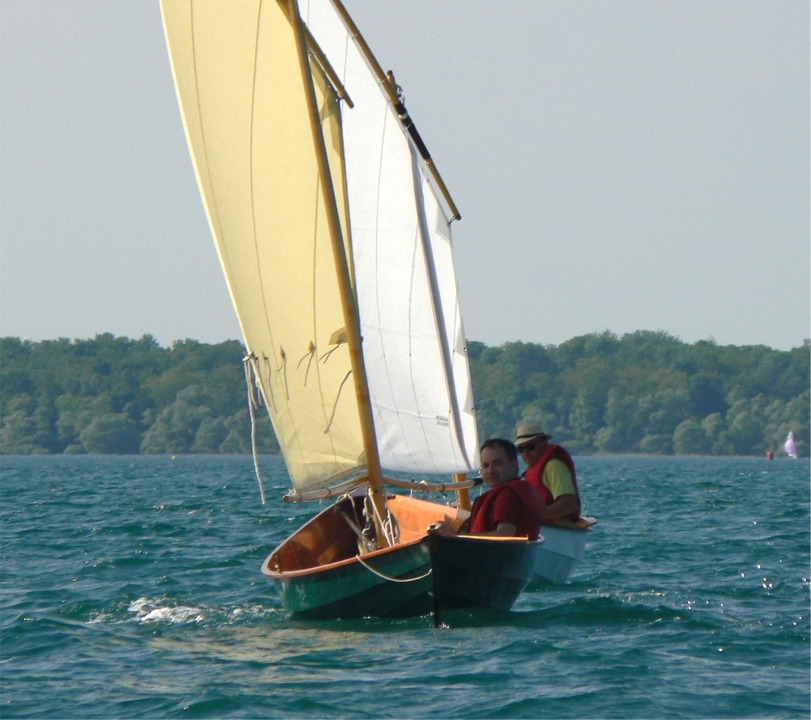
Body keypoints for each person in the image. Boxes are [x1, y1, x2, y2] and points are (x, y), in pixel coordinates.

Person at [436, 438, 543, 539]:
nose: (490, 471)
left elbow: (505, 534)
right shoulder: (519, 490)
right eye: (486, 466)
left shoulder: (508, 495)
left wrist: (455, 536)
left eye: (497, 463)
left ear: (514, 465)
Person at [514, 422, 581, 521]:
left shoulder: (554, 467)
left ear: (543, 443)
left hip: (559, 529)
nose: (525, 453)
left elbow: (570, 503)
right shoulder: (534, 470)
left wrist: (535, 516)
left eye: (530, 447)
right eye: (520, 449)